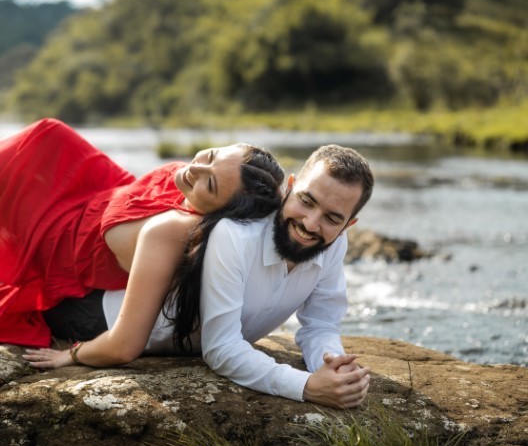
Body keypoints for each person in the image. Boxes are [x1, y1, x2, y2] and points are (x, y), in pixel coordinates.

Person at [0, 118, 284, 353]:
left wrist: (76, 356)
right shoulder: (193, 190)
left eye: (209, 183)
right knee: (46, 136)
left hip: (68, 244)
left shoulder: (174, 231)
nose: (195, 169)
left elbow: (127, 341)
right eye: (210, 156)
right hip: (101, 192)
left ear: (222, 212)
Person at [23, 143, 374, 409]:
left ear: (348, 225)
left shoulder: (333, 244)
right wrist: (306, 386)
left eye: (332, 218)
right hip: (100, 319)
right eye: (306, 202)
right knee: (7, 288)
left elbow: (320, 324)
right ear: (290, 187)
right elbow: (221, 349)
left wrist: (333, 367)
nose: (311, 224)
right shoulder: (234, 236)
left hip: (152, 333)